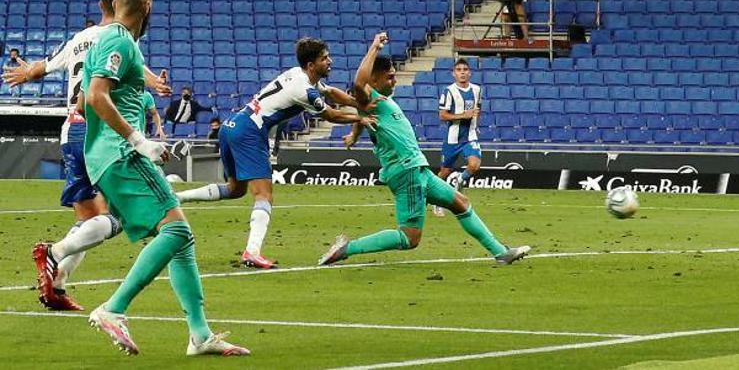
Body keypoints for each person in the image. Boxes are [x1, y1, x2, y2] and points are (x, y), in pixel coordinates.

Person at [81, 0, 248, 356]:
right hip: (121, 154)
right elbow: (95, 95)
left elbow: (81, 102)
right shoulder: (119, 40)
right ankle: (113, 308)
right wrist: (138, 140)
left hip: (106, 156)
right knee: (174, 230)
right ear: (147, 6)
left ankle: (199, 334)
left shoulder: (108, 42)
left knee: (181, 239)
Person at [2, 0, 171, 311]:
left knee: (88, 217)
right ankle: (53, 253)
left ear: (100, 6)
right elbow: (133, 68)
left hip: (71, 131)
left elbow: (44, 67)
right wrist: (156, 84)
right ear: (124, 4)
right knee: (119, 216)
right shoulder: (119, 39)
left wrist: (26, 74)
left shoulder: (79, 39)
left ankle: (57, 282)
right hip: (101, 133)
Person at [319, 32, 530, 266]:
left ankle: (501, 252)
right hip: (406, 171)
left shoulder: (376, 103)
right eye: (390, 77)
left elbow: (359, 113)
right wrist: (375, 47)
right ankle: (347, 248)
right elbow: (359, 84)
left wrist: (354, 135)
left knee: (461, 202)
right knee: (409, 238)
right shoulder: (370, 98)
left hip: (417, 169)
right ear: (375, 80)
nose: (394, 81)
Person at [174, 37, 378, 269]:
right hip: (249, 133)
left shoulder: (298, 74)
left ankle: (176, 198)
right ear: (311, 65)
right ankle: (252, 252)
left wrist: (356, 103)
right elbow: (331, 115)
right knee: (264, 196)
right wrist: (360, 117)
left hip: (232, 126)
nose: (330, 61)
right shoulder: (304, 91)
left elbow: (330, 91)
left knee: (235, 189)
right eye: (324, 59)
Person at [433, 58, 483, 217]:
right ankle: (435, 201)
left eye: (465, 69)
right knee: (444, 171)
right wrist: (463, 115)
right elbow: (442, 115)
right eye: (459, 70)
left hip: (470, 137)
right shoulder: (449, 91)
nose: (462, 72)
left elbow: (477, 108)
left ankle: (459, 181)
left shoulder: (477, 89)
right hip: (452, 139)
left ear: (470, 73)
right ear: (454, 74)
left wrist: (476, 124)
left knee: (474, 165)